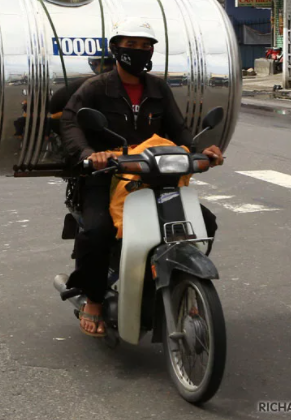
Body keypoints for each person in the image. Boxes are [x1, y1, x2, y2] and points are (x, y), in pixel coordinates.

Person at [60, 18, 224, 338]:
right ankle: (93, 298)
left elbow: (179, 131)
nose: (138, 51)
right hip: (105, 175)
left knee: (205, 222)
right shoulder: (96, 88)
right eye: (131, 45)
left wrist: (201, 152)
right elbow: (70, 121)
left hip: (152, 175)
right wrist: (88, 154)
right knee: (98, 230)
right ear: (116, 49)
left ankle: (176, 279)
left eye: (145, 46)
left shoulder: (158, 88)